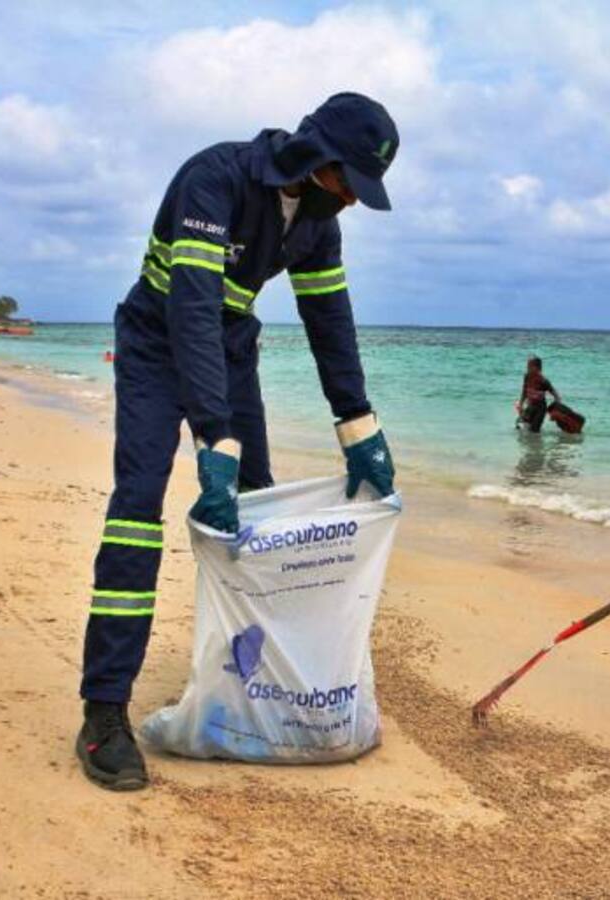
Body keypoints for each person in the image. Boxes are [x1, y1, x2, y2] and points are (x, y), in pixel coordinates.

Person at [77, 92, 400, 791]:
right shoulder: (214, 178)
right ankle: (103, 714)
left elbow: (329, 319)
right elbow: (191, 305)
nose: (349, 201)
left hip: (230, 347)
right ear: (320, 156)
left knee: (253, 518)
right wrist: (214, 438)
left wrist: (358, 424)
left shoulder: (318, 223)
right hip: (158, 341)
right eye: (349, 183)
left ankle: (246, 689)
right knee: (137, 510)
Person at [515, 356, 560, 432]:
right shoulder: (527, 377)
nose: (527, 367)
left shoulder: (543, 381)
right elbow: (524, 391)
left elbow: (555, 395)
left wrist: (556, 408)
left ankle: (536, 442)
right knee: (522, 424)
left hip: (540, 408)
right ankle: (531, 442)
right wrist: (520, 403)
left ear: (538, 368)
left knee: (535, 429)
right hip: (530, 406)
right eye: (527, 365)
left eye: (529, 366)